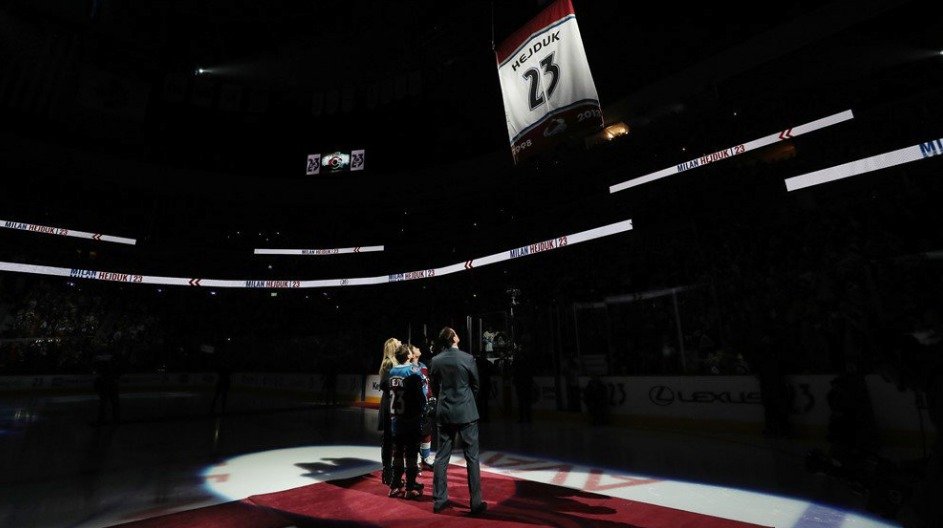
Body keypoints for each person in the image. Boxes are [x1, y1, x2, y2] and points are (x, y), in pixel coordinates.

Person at [429, 327, 487, 515]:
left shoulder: (436, 360)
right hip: (466, 412)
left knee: (441, 457)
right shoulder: (467, 358)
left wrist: (444, 400)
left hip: (444, 412)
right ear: (453, 338)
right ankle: (476, 503)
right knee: (472, 458)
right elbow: (476, 385)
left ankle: (439, 500)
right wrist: (467, 402)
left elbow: (434, 387)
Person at [387, 344, 426, 499]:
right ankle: (410, 487)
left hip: (396, 418)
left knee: (397, 452)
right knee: (411, 454)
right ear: (409, 356)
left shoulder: (392, 371)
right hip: (411, 418)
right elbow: (420, 396)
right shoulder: (413, 371)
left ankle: (395, 485)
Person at [378, 337, 400, 485]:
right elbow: (384, 384)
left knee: (394, 439)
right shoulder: (388, 363)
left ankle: (392, 471)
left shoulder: (396, 363)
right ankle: (387, 472)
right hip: (389, 404)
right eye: (398, 342)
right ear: (393, 347)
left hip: (395, 403)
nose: (401, 342)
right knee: (388, 439)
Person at [410, 344, 435, 468]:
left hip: (425, 405)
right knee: (415, 432)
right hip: (414, 406)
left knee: (427, 431)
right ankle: (416, 457)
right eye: (416, 348)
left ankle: (426, 457)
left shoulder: (424, 367)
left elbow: (427, 384)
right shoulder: (408, 368)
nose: (419, 349)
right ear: (412, 354)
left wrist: (431, 397)